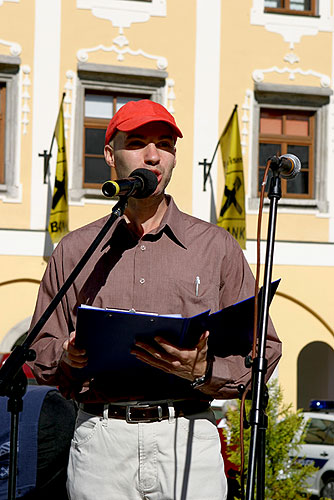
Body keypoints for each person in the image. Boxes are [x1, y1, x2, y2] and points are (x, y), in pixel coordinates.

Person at [28, 99, 281, 500]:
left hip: (189, 439)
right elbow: (38, 351)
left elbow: (263, 351)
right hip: (101, 442)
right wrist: (63, 356)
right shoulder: (75, 250)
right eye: (139, 143)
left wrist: (204, 369)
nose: (153, 155)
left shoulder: (216, 247)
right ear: (110, 155)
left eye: (165, 144)